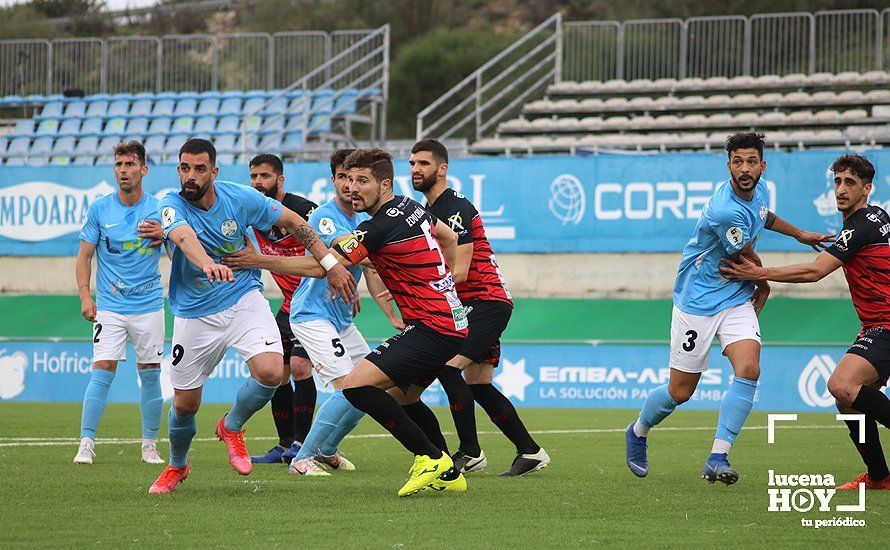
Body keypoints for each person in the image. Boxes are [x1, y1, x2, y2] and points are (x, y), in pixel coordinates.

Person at [242, 148, 468, 496]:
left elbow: (323, 267)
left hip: (431, 327)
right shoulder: (411, 206)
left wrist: (258, 260)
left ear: (385, 184)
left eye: (363, 181)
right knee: (402, 398)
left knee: (356, 385)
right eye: (348, 179)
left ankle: (430, 458)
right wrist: (444, 284)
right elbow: (450, 238)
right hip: (449, 322)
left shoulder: (375, 228)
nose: (353, 188)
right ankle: (448, 473)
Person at [624, 131, 834, 484]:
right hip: (698, 300)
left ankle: (717, 457)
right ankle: (638, 430)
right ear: (729, 167)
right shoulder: (724, 210)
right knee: (680, 392)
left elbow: (763, 216)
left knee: (749, 369)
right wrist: (764, 284)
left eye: (751, 161)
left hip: (734, 295)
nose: (745, 168)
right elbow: (743, 257)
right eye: (738, 162)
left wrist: (800, 234)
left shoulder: (760, 190)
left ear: (762, 166)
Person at [148, 138, 355, 494]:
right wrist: (208, 263)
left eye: (199, 169)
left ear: (214, 172)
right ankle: (177, 466)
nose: (191, 176)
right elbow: (183, 238)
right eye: (185, 168)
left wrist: (331, 264)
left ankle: (232, 425)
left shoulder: (240, 198)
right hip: (195, 312)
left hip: (244, 297)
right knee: (185, 405)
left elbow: (295, 223)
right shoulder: (169, 203)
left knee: (273, 371)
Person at [224, 148, 401, 477]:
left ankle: (328, 449)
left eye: (357, 178)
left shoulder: (364, 219)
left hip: (342, 319)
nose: (350, 185)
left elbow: (372, 271)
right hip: (311, 315)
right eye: (344, 178)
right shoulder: (324, 216)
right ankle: (301, 458)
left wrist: (390, 313)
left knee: (375, 385)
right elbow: (349, 256)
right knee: (347, 385)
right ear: (334, 181)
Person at [720, 153, 890, 491]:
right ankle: (879, 478)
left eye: (850, 183)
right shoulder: (874, 219)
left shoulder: (861, 226)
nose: (841, 189)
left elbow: (815, 272)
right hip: (875, 325)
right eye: (837, 182)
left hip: (886, 324)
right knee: (847, 400)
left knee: (841, 386)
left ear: (867, 189)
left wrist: (759, 273)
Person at [406, 139, 549, 476]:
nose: (415, 169)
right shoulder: (431, 210)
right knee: (478, 384)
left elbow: (460, 272)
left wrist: (421, 297)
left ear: (442, 169)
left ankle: (470, 452)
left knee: (448, 368)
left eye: (423, 163)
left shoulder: (453, 208)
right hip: (472, 304)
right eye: (412, 163)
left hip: (485, 301)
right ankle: (530, 451)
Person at [74, 140, 167, 466]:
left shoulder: (159, 208)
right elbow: (84, 256)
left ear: (144, 169)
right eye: (118, 165)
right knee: (102, 369)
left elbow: (177, 252)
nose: (123, 171)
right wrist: (86, 295)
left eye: (129, 165)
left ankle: (149, 445)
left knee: (151, 373)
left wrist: (166, 236)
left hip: (149, 306)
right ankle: (86, 443)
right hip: (110, 307)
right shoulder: (100, 208)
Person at [244, 153, 320, 465]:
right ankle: (285, 444)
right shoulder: (250, 212)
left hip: (315, 304)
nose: (258, 183)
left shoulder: (304, 211)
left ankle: (304, 444)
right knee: (277, 373)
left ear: (280, 180)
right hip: (288, 306)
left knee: (301, 368)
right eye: (254, 177)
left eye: (264, 176)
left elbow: (330, 252)